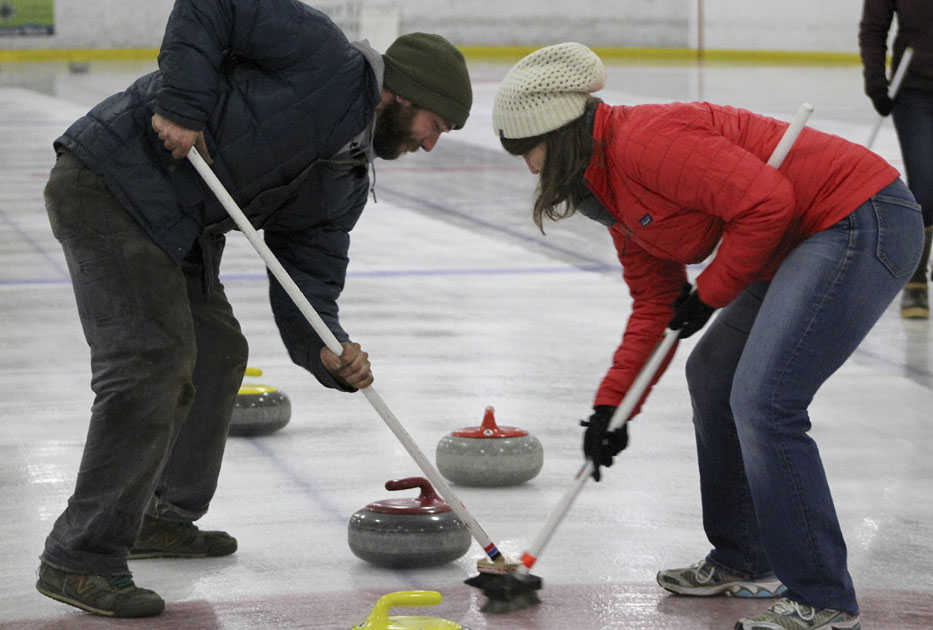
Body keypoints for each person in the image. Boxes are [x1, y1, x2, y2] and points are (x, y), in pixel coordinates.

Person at [36, 0, 471, 618]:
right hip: (111, 183)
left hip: (178, 222)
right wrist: (182, 105)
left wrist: (324, 348)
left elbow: (309, 274)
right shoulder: (320, 51)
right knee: (152, 364)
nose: (430, 145)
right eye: (437, 125)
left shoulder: (347, 174)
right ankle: (79, 556)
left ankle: (159, 517)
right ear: (404, 95)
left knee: (218, 352)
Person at [492, 42, 921, 629]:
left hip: (856, 219)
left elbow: (769, 203)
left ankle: (822, 596)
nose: (530, 168)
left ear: (559, 134)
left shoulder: (647, 140)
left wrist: (711, 292)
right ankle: (745, 557)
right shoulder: (610, 192)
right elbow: (655, 305)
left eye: (529, 151)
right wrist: (610, 410)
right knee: (712, 375)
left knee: (765, 401)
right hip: (794, 245)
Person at [860, 0, 933, 319]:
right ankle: (916, 278)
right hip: (914, 91)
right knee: (926, 185)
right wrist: (876, 80)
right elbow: (873, 27)